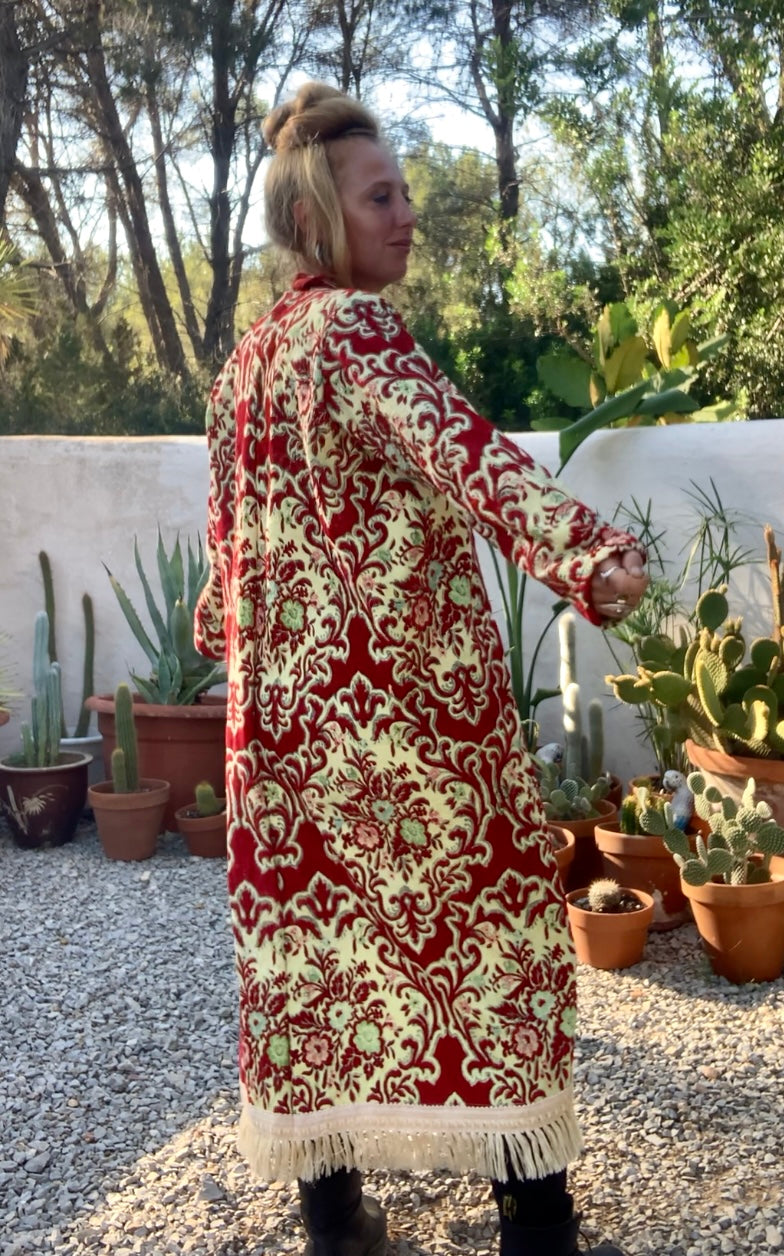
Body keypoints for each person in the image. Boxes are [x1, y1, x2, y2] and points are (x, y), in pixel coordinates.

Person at [194, 81, 648, 1256]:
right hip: (408, 725)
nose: (405, 216)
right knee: (496, 932)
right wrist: (588, 553)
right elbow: (467, 456)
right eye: (380, 196)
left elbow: (225, 541)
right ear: (314, 221)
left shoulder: (247, 360)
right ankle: (535, 1223)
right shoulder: (353, 331)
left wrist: (223, 630)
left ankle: (334, 1216)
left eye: (404, 194)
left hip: (284, 740)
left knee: (316, 956)